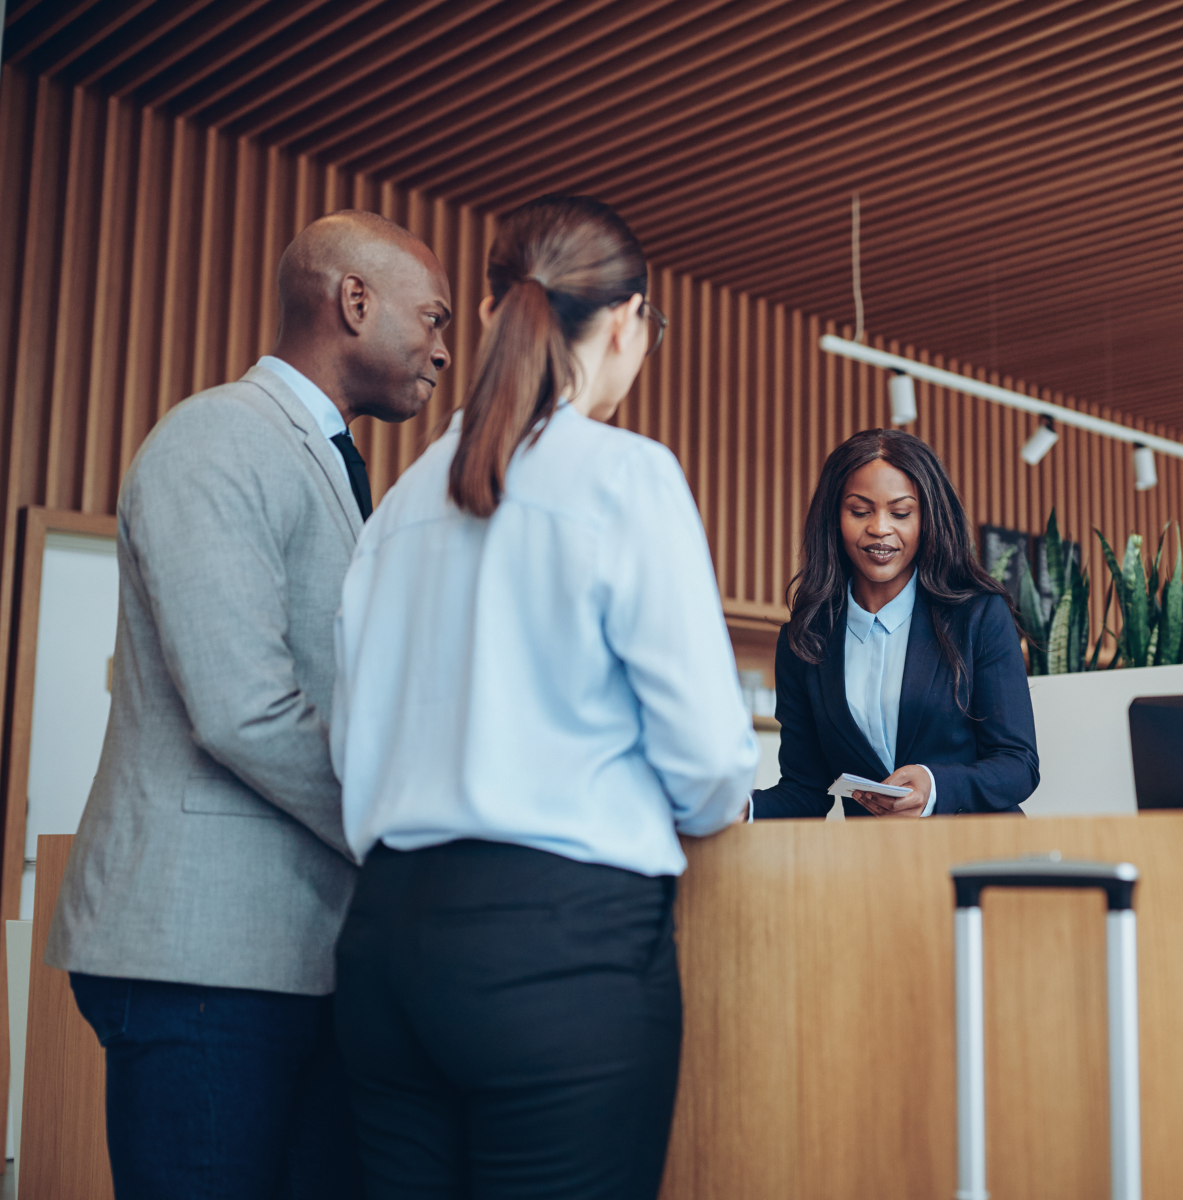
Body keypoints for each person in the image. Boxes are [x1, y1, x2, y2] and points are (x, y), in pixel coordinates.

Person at [330, 194, 755, 1199]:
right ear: (625, 323)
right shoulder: (627, 477)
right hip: (558, 950)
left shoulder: (399, 502)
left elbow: (352, 747)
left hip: (386, 949)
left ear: (494, 312)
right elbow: (707, 760)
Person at [45, 210, 452, 1197]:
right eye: (433, 318)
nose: (443, 349)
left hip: (287, 957)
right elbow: (242, 707)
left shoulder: (332, 464)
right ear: (354, 300)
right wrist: (402, 829)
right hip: (203, 960)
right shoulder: (218, 439)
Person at [752, 428, 1038, 818]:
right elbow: (805, 789)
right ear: (835, 518)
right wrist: (740, 808)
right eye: (860, 511)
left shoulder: (978, 616)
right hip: (876, 865)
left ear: (927, 519)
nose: (880, 528)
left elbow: (1018, 765)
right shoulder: (806, 640)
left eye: (901, 513)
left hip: (977, 856)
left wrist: (933, 785)